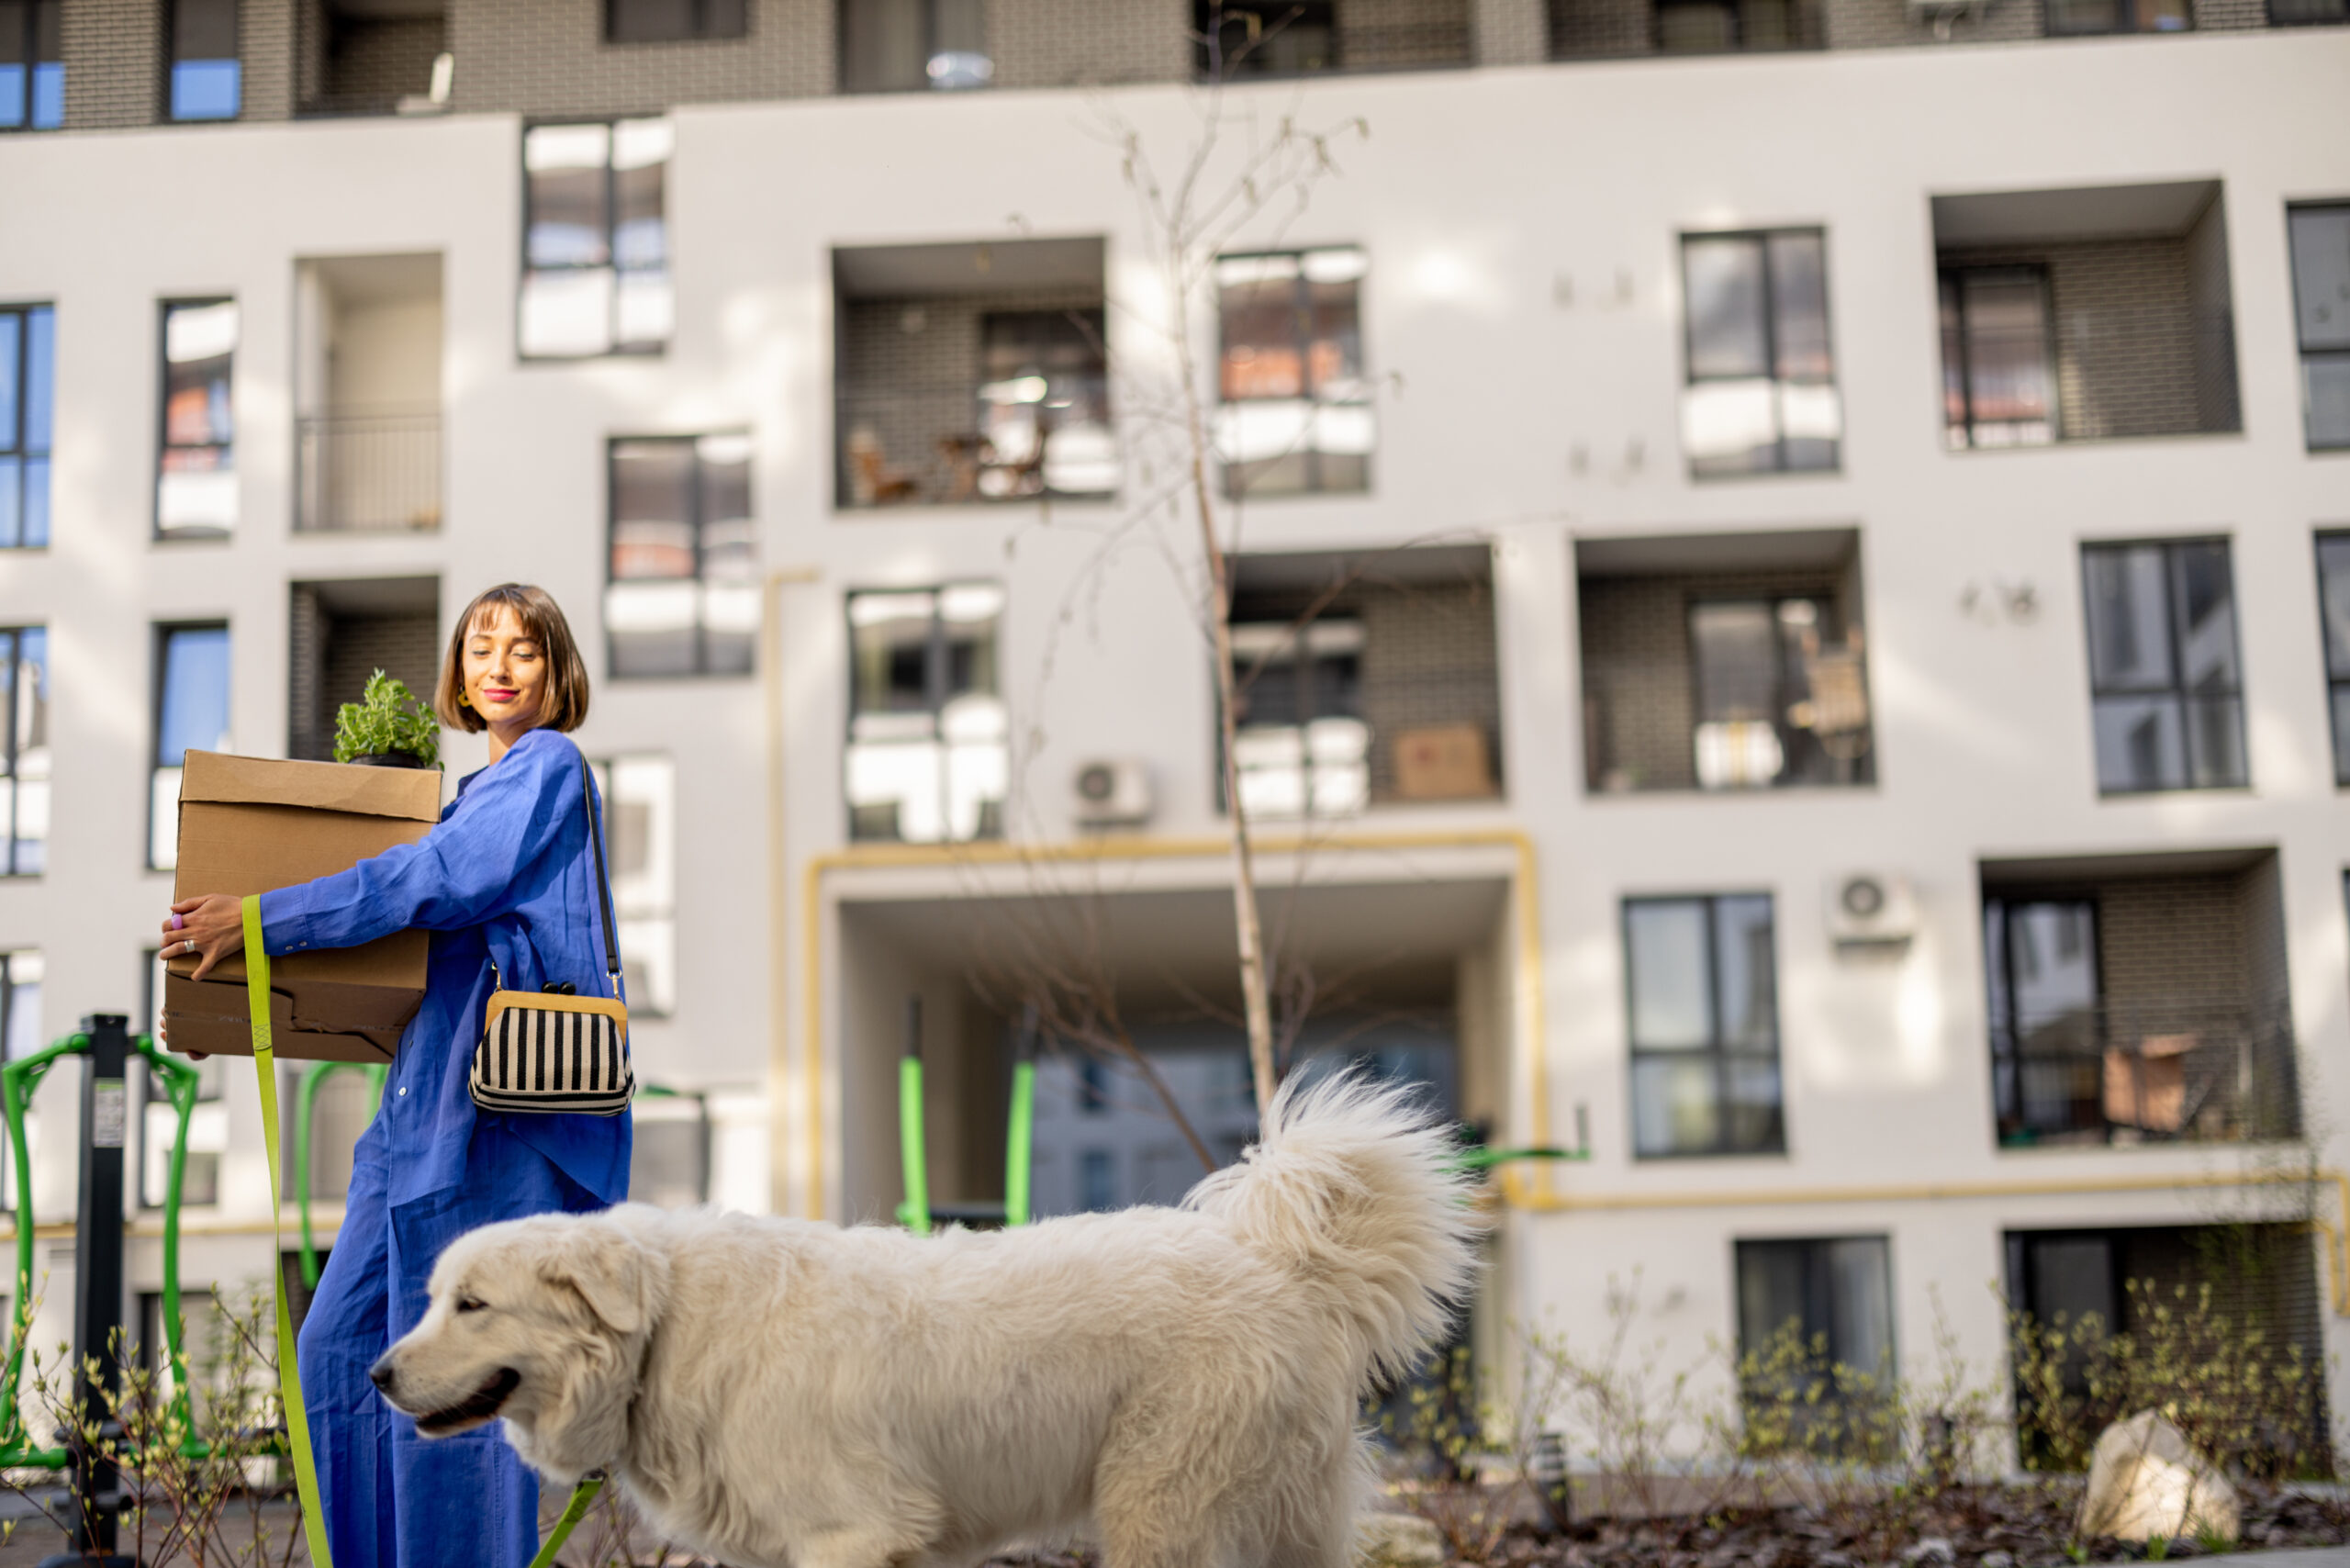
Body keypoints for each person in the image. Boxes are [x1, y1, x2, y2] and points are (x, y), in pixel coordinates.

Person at [162, 583, 632, 1568]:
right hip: (411, 1122)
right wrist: (227, 1001)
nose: (499, 665)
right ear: (457, 676)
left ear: (557, 675)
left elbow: (431, 882)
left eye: (525, 650)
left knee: (455, 1390)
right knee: (341, 1352)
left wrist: (256, 921)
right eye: (479, 649)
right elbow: (390, 981)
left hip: (494, 1128)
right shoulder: (469, 799)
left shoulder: (545, 770)